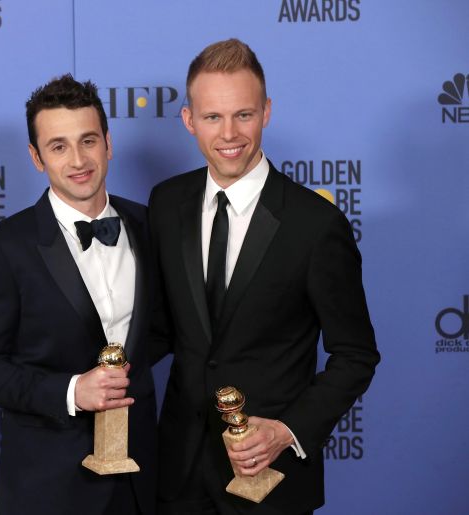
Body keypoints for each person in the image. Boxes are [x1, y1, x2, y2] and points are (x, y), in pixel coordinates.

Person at [148, 39, 380, 514]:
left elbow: (355, 355)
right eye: (212, 117)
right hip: (179, 476)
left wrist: (286, 431)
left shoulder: (316, 225)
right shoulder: (166, 203)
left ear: (267, 111)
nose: (229, 132)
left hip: (271, 483)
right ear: (189, 120)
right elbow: (164, 327)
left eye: (244, 115)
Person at [0, 74, 157, 515]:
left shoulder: (152, 226)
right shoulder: (3, 247)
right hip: (48, 489)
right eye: (58, 146)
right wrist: (71, 391)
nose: (78, 160)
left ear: (108, 142)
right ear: (36, 157)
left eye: (88, 140)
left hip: (144, 482)